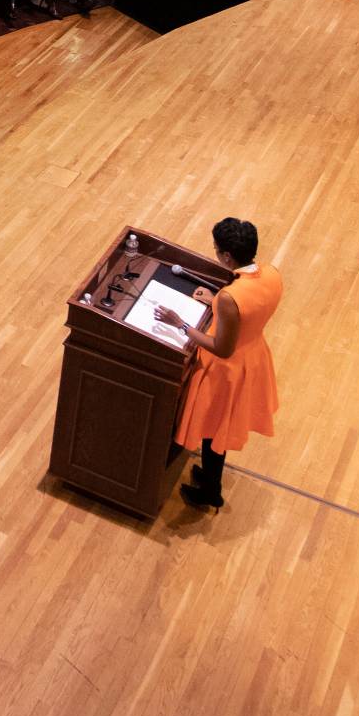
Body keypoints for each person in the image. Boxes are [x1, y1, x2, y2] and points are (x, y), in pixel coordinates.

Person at [153, 218, 283, 510]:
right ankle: (210, 477)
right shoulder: (272, 274)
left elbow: (222, 348)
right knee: (217, 429)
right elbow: (250, 309)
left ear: (227, 256)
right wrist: (215, 301)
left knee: (215, 430)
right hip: (255, 357)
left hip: (227, 371)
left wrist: (181, 324)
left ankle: (212, 491)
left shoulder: (230, 297)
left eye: (216, 250)